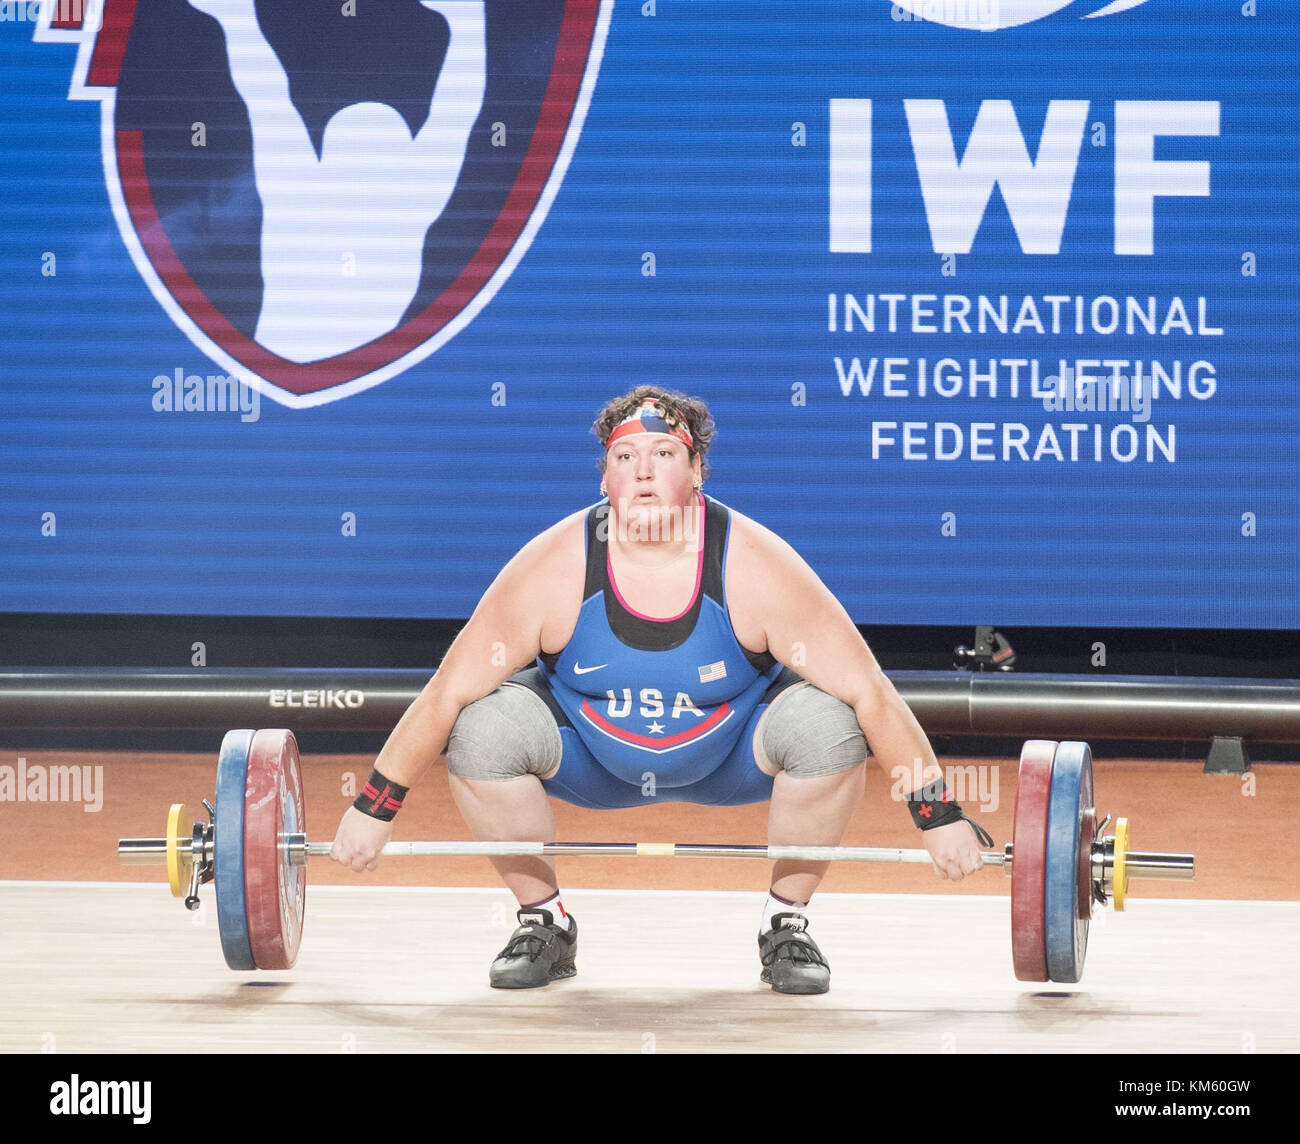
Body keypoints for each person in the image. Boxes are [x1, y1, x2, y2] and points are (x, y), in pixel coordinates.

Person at [330, 386, 987, 993]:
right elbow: (447, 691)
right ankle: (545, 921)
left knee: (829, 719)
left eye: (664, 453)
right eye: (626, 456)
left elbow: (870, 690)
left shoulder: (755, 564)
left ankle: (785, 924)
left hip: (730, 755)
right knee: (480, 728)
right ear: (605, 476)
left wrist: (937, 816)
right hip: (588, 755)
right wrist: (374, 807)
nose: (643, 470)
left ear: (696, 469)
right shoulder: (554, 563)